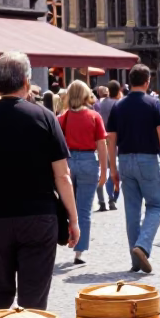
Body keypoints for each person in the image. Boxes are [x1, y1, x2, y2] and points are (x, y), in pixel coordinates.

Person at [0, 51, 79, 310]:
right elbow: (62, 175)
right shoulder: (45, 117)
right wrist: (74, 219)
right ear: (26, 81)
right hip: (38, 216)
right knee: (33, 301)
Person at [106, 63, 160, 274]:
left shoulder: (119, 106)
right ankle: (142, 246)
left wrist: (113, 170)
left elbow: (111, 140)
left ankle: (136, 261)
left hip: (125, 159)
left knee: (132, 211)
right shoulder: (154, 104)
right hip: (148, 159)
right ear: (147, 82)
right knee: (156, 205)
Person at [58, 80, 108, 266]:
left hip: (68, 162)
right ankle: (79, 252)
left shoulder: (63, 118)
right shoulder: (94, 117)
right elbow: (101, 145)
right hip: (88, 161)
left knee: (67, 207)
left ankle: (67, 237)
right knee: (84, 209)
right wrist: (104, 170)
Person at [93, 80, 122, 210]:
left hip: (101, 140)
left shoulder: (99, 104)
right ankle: (113, 197)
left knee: (102, 169)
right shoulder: (119, 104)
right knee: (114, 170)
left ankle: (103, 201)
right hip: (117, 141)